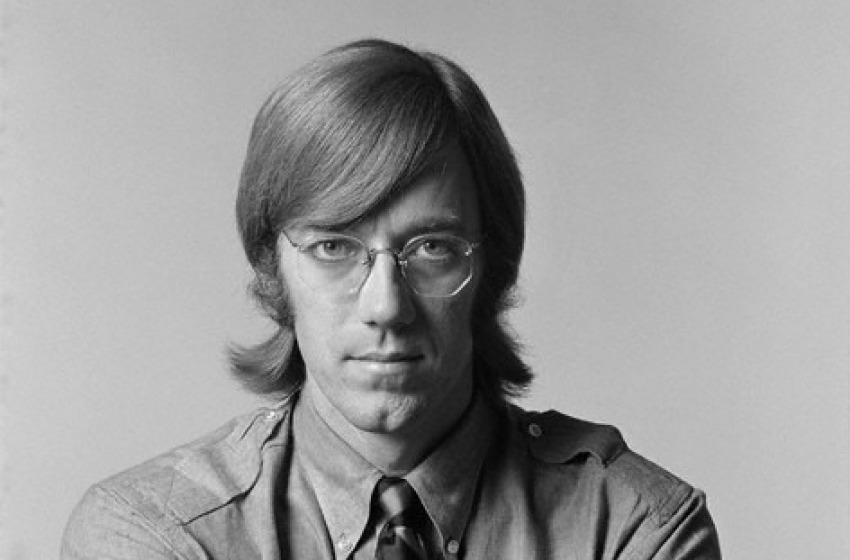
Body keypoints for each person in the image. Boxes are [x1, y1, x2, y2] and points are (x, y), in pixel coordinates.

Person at [62, 38, 721, 559]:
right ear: (272, 269)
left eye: (432, 247)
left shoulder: (631, 528)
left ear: (493, 266)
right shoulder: (155, 533)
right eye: (333, 247)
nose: (385, 307)